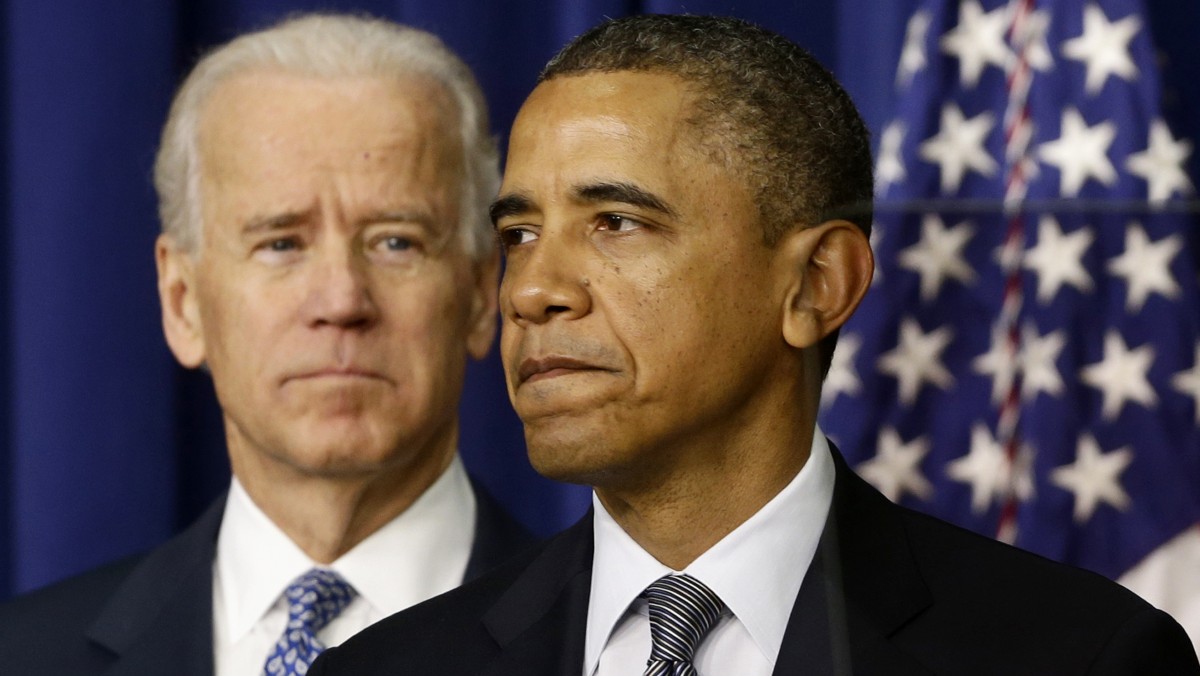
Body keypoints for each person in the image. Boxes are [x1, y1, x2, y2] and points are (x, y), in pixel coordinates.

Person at [308, 14, 1200, 675]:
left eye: (615, 222)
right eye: (519, 234)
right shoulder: (388, 668)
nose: (534, 290)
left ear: (817, 285)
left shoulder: (1079, 660)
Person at [0, 13, 535, 675]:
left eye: (396, 241)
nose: (341, 301)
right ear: (183, 301)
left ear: (483, 293)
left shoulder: (609, 642)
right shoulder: (23, 656)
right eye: (281, 244)